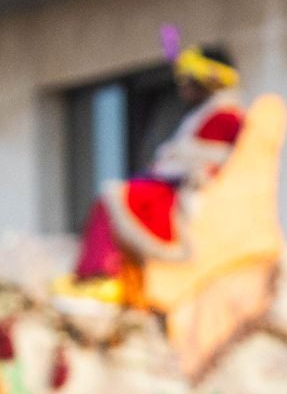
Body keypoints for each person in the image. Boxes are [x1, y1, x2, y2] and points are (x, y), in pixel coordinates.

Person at [74, 44, 248, 281]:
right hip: (174, 186)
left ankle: (100, 274)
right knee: (114, 198)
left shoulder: (227, 116)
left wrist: (166, 170)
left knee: (113, 198)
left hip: (187, 193)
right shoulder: (205, 114)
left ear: (206, 79)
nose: (182, 86)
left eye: (188, 79)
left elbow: (208, 164)